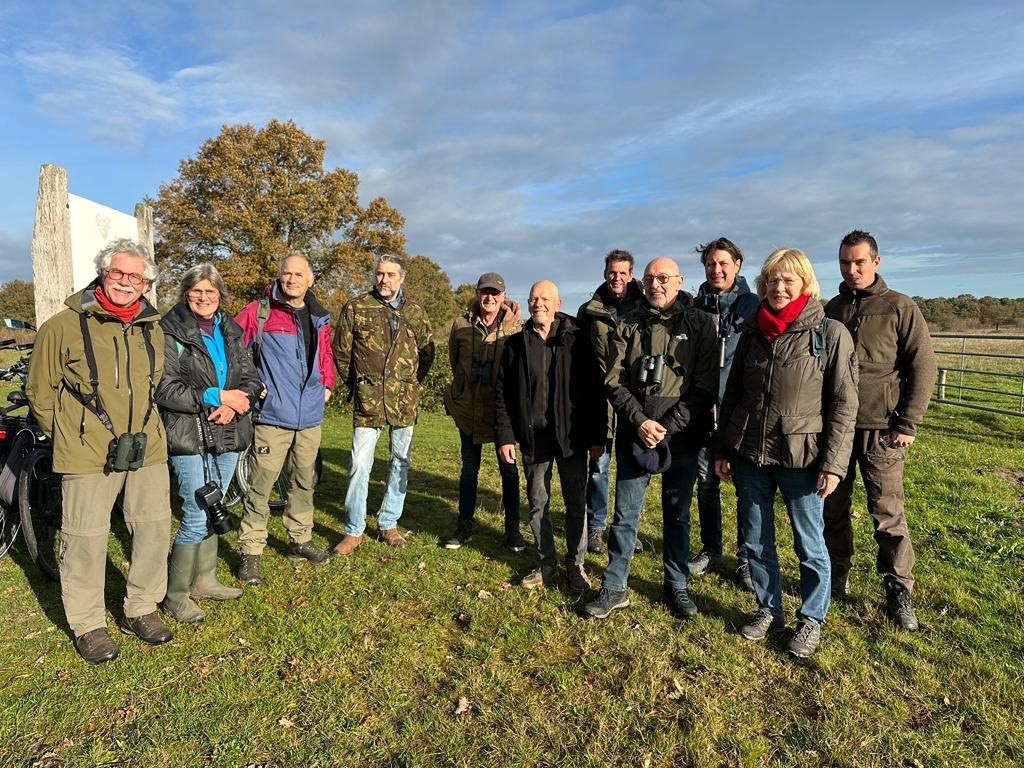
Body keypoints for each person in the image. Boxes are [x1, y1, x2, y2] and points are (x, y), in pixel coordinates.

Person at [27, 239, 173, 664]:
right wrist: (70, 436)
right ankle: (89, 624)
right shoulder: (63, 326)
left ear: (146, 283)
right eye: (118, 274)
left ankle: (141, 608)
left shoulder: (152, 327)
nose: (126, 282)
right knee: (85, 538)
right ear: (102, 274)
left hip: (146, 446)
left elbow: (153, 383)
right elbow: (41, 391)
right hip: (87, 451)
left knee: (152, 529)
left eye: (136, 277)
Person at [714, 248, 858, 658]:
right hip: (750, 455)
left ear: (805, 284)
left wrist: (833, 464)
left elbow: (845, 403)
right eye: (772, 280)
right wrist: (725, 447)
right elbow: (734, 394)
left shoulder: (829, 334)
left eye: (788, 280)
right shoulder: (753, 332)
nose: (779, 287)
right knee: (757, 540)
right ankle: (768, 608)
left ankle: (811, 619)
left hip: (803, 457)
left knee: (809, 543)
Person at [583, 258, 718, 621]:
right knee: (626, 515)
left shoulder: (701, 324)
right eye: (650, 279)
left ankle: (676, 585)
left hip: (683, 436)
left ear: (679, 282)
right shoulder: (628, 323)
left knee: (677, 515)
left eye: (663, 278)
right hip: (635, 431)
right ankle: (614, 586)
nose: (656, 284)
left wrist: (669, 426)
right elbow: (613, 381)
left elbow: (705, 384)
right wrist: (640, 421)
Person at [823, 230, 936, 631]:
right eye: (844, 263)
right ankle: (837, 572)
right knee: (831, 508)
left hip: (882, 428)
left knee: (887, 514)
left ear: (876, 262)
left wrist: (907, 423)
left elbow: (922, 367)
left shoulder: (900, 307)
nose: (851, 270)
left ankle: (898, 589)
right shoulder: (831, 309)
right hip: (835, 429)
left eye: (859, 262)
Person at [156, 264, 264, 622]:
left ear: (220, 296)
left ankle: (205, 579)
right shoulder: (169, 331)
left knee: (214, 502)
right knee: (195, 510)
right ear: (186, 292)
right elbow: (164, 388)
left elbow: (250, 378)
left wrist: (235, 405)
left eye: (211, 292)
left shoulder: (231, 329)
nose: (204, 298)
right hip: (189, 432)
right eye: (197, 291)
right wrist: (215, 396)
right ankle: (175, 595)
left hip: (228, 432)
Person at [494, 280, 604, 591]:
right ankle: (545, 562)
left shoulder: (579, 340)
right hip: (534, 437)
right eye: (533, 298)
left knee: (575, 503)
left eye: (545, 298)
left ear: (558, 303)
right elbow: (502, 394)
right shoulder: (515, 345)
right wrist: (504, 436)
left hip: (572, 438)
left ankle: (575, 563)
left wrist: (598, 437)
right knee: (538, 502)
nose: (538, 303)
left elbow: (595, 391)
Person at [235, 253, 336, 584]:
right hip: (272, 416)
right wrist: (250, 387)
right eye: (286, 274)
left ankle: (300, 540)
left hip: (309, 416)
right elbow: (232, 350)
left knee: (304, 481)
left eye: (298, 274)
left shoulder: (320, 316)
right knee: (260, 485)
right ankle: (251, 551)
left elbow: (326, 355)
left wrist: (328, 383)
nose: (291, 279)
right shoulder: (260, 312)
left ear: (311, 280)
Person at [332, 254, 435, 555]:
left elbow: (427, 353)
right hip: (368, 403)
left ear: (402, 277)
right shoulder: (356, 307)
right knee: (359, 465)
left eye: (391, 274)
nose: (384, 280)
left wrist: (411, 384)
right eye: (380, 274)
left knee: (399, 464)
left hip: (404, 403)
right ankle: (353, 530)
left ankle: (388, 522)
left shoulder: (414, 311)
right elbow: (341, 352)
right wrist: (358, 385)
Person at [688, 238, 760, 590]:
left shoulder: (753, 306)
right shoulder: (694, 307)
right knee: (706, 484)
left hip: (740, 413)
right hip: (703, 410)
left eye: (722, 264)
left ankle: (746, 557)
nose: (716, 270)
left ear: (737, 264)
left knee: (747, 488)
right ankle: (712, 547)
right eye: (710, 264)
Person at [441, 272, 526, 551]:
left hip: (504, 414)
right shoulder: (461, 325)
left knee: (509, 471)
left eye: (495, 293)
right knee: (469, 470)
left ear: (504, 297)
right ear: (477, 294)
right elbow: (455, 362)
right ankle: (464, 526)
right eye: (484, 292)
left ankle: (512, 529)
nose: (489, 298)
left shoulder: (517, 328)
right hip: (469, 411)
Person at [575, 249, 646, 555]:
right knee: (598, 467)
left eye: (622, 273)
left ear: (631, 275)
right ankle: (597, 527)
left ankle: (626, 526)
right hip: (600, 400)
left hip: (633, 399)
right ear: (605, 274)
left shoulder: (645, 307)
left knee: (631, 468)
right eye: (611, 273)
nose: (617, 278)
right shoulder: (589, 311)